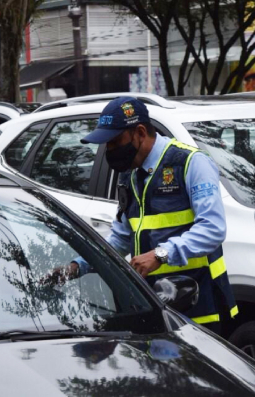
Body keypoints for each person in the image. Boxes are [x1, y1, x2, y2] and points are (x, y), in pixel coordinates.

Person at [49, 97, 237, 335]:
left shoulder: (191, 163)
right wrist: (78, 266)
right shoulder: (130, 174)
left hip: (200, 307)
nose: (110, 150)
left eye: (115, 142)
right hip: (156, 307)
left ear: (139, 132)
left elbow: (213, 229)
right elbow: (121, 239)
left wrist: (161, 254)